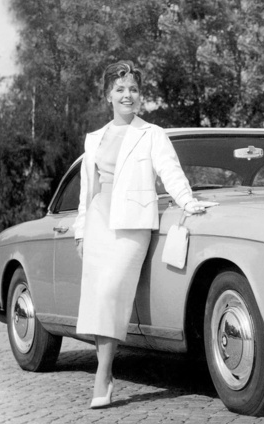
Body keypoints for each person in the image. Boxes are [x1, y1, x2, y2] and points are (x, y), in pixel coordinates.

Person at [73, 60, 212, 409]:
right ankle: (106, 372)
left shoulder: (152, 134)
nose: (128, 95)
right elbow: (87, 190)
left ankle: (102, 373)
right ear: (108, 95)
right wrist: (81, 231)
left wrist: (188, 201)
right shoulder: (94, 139)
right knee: (97, 300)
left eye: (133, 89)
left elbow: (170, 171)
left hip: (133, 224)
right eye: (120, 89)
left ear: (140, 95)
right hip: (98, 223)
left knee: (109, 292)